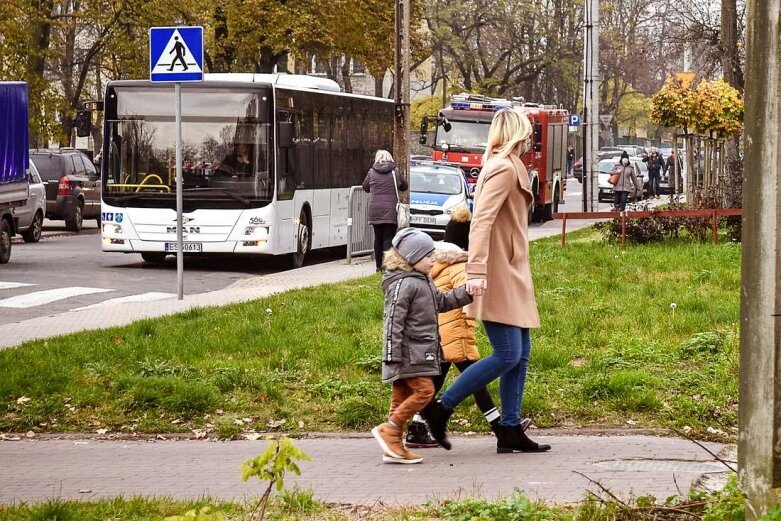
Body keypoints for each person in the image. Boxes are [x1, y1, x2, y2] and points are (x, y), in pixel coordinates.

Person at [422, 108, 551, 454]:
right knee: (508, 353)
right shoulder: (501, 168)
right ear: (514, 134)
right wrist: (476, 271)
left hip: (511, 270)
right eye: (525, 134)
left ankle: (510, 428)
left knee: (521, 353)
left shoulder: (510, 166)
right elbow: (480, 222)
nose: (528, 141)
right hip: (496, 271)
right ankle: (440, 408)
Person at [405, 241, 531, 449]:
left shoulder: (436, 271)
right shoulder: (460, 268)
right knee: (477, 382)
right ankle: (499, 427)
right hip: (457, 335)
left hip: (437, 334)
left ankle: (417, 426)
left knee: (436, 384)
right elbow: (470, 290)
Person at [371, 228, 473, 464]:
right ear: (411, 258)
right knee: (425, 392)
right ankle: (390, 430)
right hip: (407, 353)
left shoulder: (423, 279)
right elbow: (392, 322)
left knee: (400, 398)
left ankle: (393, 446)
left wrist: (468, 292)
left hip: (419, 351)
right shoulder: (403, 284)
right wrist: (391, 355)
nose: (433, 260)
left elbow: (441, 302)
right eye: (428, 256)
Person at [362, 150, 407, 272]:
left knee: (378, 238)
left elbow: (365, 187)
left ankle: (378, 266)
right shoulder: (395, 171)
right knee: (388, 238)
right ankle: (388, 266)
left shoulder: (371, 172)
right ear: (390, 158)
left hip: (375, 209)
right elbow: (404, 185)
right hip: (391, 209)